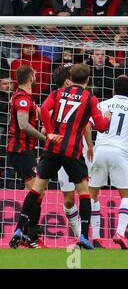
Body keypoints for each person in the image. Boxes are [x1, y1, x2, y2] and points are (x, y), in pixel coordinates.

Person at [9, 64, 111, 250]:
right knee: (84, 193)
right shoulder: (90, 98)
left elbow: (45, 110)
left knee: (35, 191)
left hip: (52, 149)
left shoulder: (57, 93)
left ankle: (18, 230)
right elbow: (102, 126)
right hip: (72, 151)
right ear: (87, 80)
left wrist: (49, 132)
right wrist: (107, 117)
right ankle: (84, 237)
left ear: (70, 77)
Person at [89, 76, 128, 250]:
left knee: (93, 194)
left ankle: (96, 237)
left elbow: (88, 124)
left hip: (99, 150)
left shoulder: (102, 105)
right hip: (120, 153)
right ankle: (120, 233)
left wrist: (88, 146)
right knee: (126, 195)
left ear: (114, 90)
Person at [51, 64, 95, 245]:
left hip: (79, 150)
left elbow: (85, 123)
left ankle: (88, 236)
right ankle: (79, 234)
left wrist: (90, 145)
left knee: (88, 192)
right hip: (59, 151)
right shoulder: (54, 98)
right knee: (68, 199)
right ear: (67, 80)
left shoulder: (82, 98)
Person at [6, 66, 47, 247]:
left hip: (24, 151)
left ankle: (27, 233)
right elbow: (23, 125)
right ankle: (27, 233)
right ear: (31, 77)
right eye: (35, 75)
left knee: (37, 192)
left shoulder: (26, 98)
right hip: (20, 151)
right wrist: (45, 138)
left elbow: (41, 114)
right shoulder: (22, 99)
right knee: (37, 191)